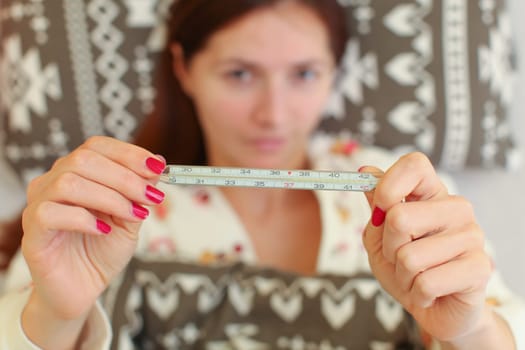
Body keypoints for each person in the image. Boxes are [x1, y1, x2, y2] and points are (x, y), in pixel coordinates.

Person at [0, 0, 524, 349]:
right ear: (184, 68)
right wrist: (56, 315)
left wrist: (469, 330)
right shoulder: (102, 201)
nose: (273, 114)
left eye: (304, 74)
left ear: (334, 73)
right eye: (240, 74)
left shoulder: (408, 199)